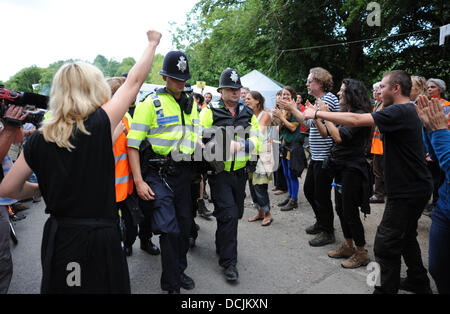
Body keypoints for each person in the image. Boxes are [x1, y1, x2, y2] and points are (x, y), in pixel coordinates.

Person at [0, 30, 162, 294]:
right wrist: (152, 43)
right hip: (101, 237)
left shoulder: (39, 139)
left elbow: (7, 189)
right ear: (94, 88)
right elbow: (133, 81)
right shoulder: (99, 124)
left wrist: (38, 188)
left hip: (63, 237)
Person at [300, 70, 433, 294]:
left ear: (396, 88)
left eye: (382, 86)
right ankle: (418, 280)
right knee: (407, 236)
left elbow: (356, 120)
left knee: (385, 243)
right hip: (414, 186)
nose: (378, 90)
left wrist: (317, 115)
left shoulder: (400, 110)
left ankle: (383, 290)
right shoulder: (401, 110)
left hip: (406, 190)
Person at [127, 50, 199, 294]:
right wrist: (138, 181)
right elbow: (132, 145)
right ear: (164, 77)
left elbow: (196, 137)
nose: (181, 83)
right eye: (175, 78)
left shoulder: (191, 105)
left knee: (185, 226)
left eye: (184, 79)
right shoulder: (150, 104)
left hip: (184, 174)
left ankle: (179, 270)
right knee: (169, 230)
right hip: (157, 175)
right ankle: (171, 286)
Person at [200, 68, 261, 282]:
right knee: (228, 215)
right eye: (230, 89)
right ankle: (229, 263)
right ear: (221, 90)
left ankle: (222, 245)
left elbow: (258, 140)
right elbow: (201, 139)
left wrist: (243, 144)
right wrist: (224, 145)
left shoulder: (247, 111)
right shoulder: (210, 110)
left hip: (240, 174)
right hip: (219, 173)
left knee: (234, 215)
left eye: (237, 88)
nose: (235, 92)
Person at [279, 67, 340, 247]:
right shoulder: (319, 99)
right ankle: (322, 222)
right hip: (317, 156)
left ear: (320, 82)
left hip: (325, 156)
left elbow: (323, 127)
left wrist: (292, 108)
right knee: (310, 191)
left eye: (310, 80)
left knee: (320, 194)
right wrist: (292, 108)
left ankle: (327, 231)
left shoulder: (328, 99)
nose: (306, 83)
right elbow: (308, 122)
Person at [315, 79, 372, 269]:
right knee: (340, 208)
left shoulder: (360, 115)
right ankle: (348, 246)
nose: (339, 94)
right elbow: (327, 133)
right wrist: (318, 117)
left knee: (349, 210)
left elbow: (338, 137)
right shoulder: (346, 113)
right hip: (340, 167)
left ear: (352, 94)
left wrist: (326, 114)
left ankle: (361, 252)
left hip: (353, 169)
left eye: (342, 91)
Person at [106, 76, 160, 257]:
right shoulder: (101, 118)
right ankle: (124, 244)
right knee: (114, 226)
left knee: (138, 219)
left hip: (131, 184)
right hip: (108, 188)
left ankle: (141, 241)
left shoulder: (127, 115)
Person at [416, 95, 450, 294]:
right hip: (444, 209)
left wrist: (438, 131)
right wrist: (429, 129)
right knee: (437, 268)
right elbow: (438, 159)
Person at [0, 105, 32, 294]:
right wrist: (10, 127)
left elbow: (18, 139)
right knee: (2, 259)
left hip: (4, 198)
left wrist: (11, 121)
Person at [272, 86, 303, 211]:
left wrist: (281, 117)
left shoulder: (296, 109)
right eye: (283, 94)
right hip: (284, 145)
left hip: (293, 145)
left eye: (287, 95)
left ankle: (294, 200)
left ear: (293, 97)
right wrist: (277, 118)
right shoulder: (283, 110)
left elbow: (293, 128)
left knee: (292, 174)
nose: (284, 96)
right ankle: (290, 196)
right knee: (285, 173)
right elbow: (279, 130)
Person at [245, 91, 274, 226]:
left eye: (249, 98)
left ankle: (267, 213)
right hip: (251, 153)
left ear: (257, 101)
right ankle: (259, 211)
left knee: (260, 185)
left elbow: (258, 133)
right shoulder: (250, 115)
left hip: (263, 154)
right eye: (245, 98)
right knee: (252, 184)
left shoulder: (265, 115)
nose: (246, 100)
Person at [369, 82, 385, 204]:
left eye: (378, 89)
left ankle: (379, 194)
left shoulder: (384, 105)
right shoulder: (377, 104)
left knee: (378, 169)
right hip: (377, 142)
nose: (376, 92)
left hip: (381, 143)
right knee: (377, 168)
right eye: (374, 90)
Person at [272, 90, 288, 195]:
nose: (278, 98)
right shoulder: (276, 110)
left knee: (280, 164)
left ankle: (282, 186)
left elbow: (280, 125)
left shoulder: (284, 110)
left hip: (281, 138)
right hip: (274, 137)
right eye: (277, 96)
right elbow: (273, 125)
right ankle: (277, 184)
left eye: (280, 96)